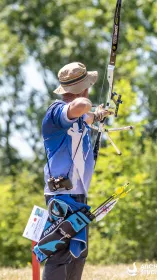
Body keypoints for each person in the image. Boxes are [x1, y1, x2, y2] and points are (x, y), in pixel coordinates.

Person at [41, 62, 111, 280]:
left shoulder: (78, 116)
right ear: (84, 88)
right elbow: (80, 107)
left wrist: (98, 114)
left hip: (77, 194)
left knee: (78, 252)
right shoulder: (56, 112)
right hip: (62, 197)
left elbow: (87, 116)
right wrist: (87, 103)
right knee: (59, 252)